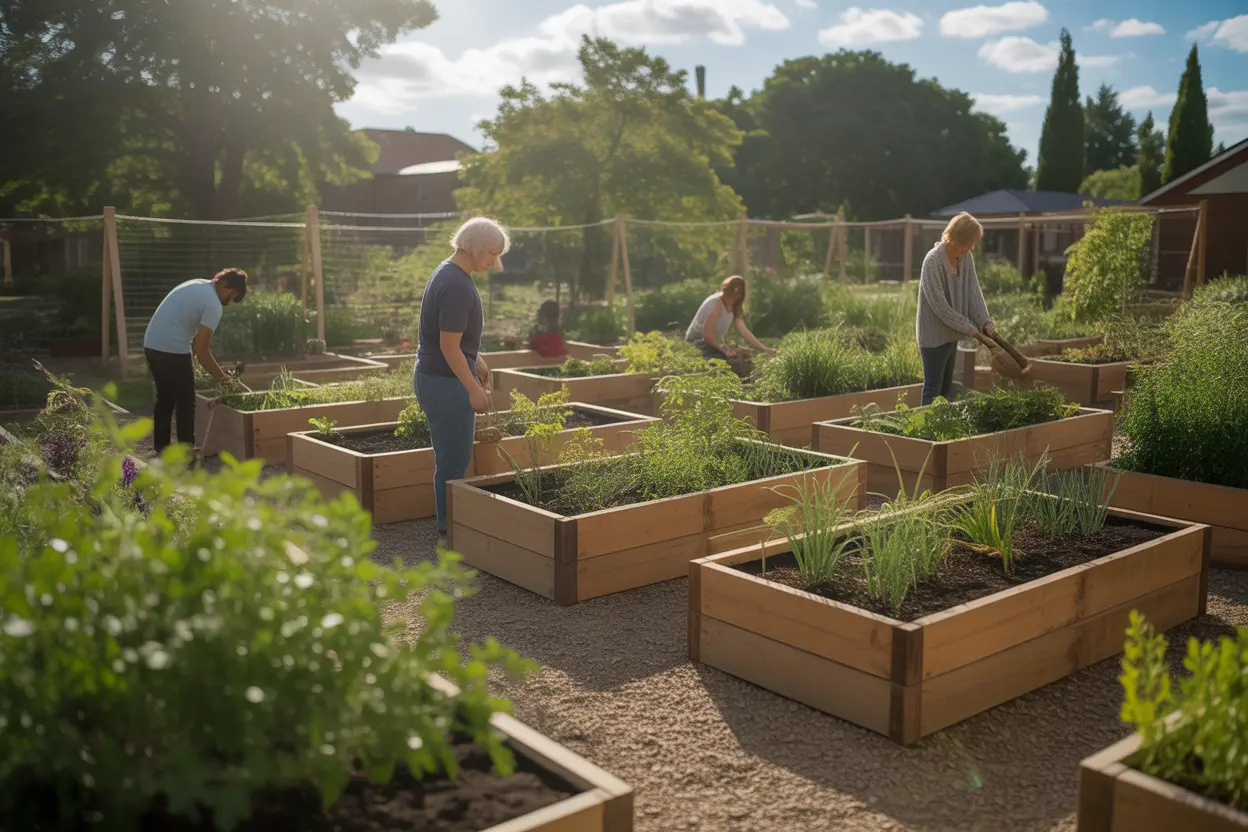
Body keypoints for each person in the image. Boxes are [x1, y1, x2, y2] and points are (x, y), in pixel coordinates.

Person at [414, 217, 509, 548]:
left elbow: (451, 338)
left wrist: (475, 356)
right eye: (493, 254)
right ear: (479, 247)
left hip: (437, 376)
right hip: (445, 383)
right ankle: (449, 534)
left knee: (450, 457)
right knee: (454, 462)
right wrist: (473, 388)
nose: (494, 263)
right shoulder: (456, 286)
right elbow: (447, 346)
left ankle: (449, 525)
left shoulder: (448, 272)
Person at [142, 267, 248, 454]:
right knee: (185, 400)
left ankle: (161, 448)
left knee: (165, 397)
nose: (229, 299)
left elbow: (198, 345)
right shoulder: (213, 304)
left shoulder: (197, 284)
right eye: (231, 293)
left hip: (151, 344)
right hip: (172, 348)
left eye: (233, 297)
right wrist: (224, 380)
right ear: (223, 283)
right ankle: (186, 451)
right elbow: (201, 349)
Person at [916, 212, 996, 405]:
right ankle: (925, 432)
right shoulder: (932, 262)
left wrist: (984, 321)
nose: (972, 247)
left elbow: (973, 292)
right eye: (969, 242)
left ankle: (941, 431)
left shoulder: (965, 258)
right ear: (957, 237)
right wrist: (970, 329)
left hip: (952, 334)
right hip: (933, 337)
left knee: (945, 390)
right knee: (933, 389)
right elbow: (941, 308)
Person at [685, 276, 775, 372]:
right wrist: (725, 349)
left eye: (737, 295)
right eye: (731, 294)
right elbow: (707, 335)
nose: (733, 298)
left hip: (717, 345)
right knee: (722, 366)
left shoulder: (734, 306)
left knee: (746, 358)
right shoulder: (715, 304)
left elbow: (743, 330)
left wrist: (763, 348)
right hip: (699, 343)